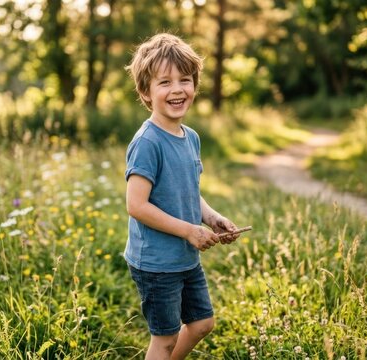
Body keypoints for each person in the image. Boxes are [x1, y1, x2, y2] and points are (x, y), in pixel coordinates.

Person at [124, 33, 240, 360]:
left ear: (194, 86)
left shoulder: (191, 138)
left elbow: (189, 192)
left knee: (202, 323)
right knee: (165, 338)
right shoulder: (148, 142)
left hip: (184, 257)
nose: (177, 89)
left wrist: (212, 218)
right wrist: (189, 231)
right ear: (146, 92)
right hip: (157, 262)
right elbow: (136, 205)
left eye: (185, 80)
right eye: (164, 82)